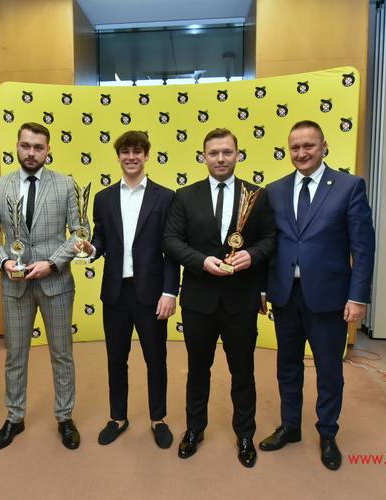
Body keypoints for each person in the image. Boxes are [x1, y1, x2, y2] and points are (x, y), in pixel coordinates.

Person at [260, 120, 375, 471]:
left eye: (308, 145)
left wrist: (357, 297)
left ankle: (327, 433)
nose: (301, 153)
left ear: (323, 146)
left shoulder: (348, 186)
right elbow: (268, 244)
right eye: (295, 147)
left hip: (329, 297)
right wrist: (263, 287)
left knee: (328, 370)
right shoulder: (274, 190)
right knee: (287, 366)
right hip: (285, 295)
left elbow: (363, 246)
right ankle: (290, 426)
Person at [163, 128, 276, 468]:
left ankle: (245, 434)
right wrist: (201, 262)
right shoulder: (185, 196)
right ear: (203, 157)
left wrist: (251, 255)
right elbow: (171, 240)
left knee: (243, 372)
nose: (221, 158)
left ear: (238, 155)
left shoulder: (257, 195)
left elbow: (270, 238)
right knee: (198, 371)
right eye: (214, 153)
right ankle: (194, 429)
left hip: (240, 301)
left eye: (227, 152)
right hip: (199, 301)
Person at [0, 122, 87, 451]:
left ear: (48, 150)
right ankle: (14, 417)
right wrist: (3, 261)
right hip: (14, 287)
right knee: (15, 356)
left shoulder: (65, 184)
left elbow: (80, 233)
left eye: (38, 147)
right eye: (26, 146)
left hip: (56, 283)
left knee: (62, 355)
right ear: (17, 146)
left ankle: (65, 417)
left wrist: (52, 263)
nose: (31, 152)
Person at [77, 131, 180, 449]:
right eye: (125, 151)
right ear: (118, 156)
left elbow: (171, 249)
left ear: (146, 155)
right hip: (115, 293)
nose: (131, 157)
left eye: (137, 151)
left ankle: (158, 418)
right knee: (116, 358)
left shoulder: (165, 197)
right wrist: (91, 249)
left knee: (156, 358)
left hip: (151, 294)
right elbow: (100, 239)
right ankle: (118, 417)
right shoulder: (104, 198)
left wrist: (170, 292)